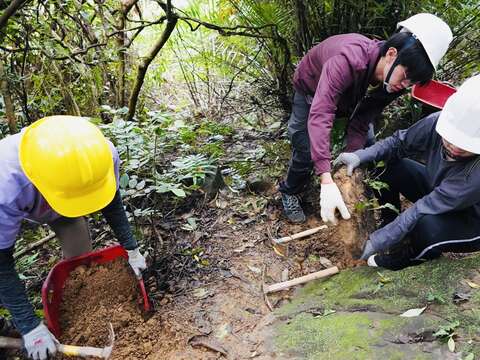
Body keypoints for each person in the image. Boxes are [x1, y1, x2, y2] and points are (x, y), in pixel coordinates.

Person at [279, 13, 452, 224]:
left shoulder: (394, 81)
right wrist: (325, 178)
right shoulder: (347, 60)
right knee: (305, 149)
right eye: (406, 76)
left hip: (351, 99)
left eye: (412, 81)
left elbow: (362, 119)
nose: (405, 85)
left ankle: (389, 217)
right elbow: (321, 112)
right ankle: (290, 190)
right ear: (391, 54)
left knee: (369, 150)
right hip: (311, 91)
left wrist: (351, 161)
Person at [0, 116, 147, 360]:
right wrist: (29, 326)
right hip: (24, 195)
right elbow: (1, 263)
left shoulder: (100, 156)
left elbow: (111, 201)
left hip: (53, 199)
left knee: (80, 256)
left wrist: (131, 248)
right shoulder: (7, 185)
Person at [334, 74, 480, 270]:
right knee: (388, 163)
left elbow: (424, 207)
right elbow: (398, 143)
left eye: (463, 144)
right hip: (440, 190)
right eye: (450, 138)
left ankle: (408, 258)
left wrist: (380, 240)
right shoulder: (437, 123)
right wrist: (361, 155)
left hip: (472, 219)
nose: (453, 146)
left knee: (427, 228)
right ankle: (390, 217)